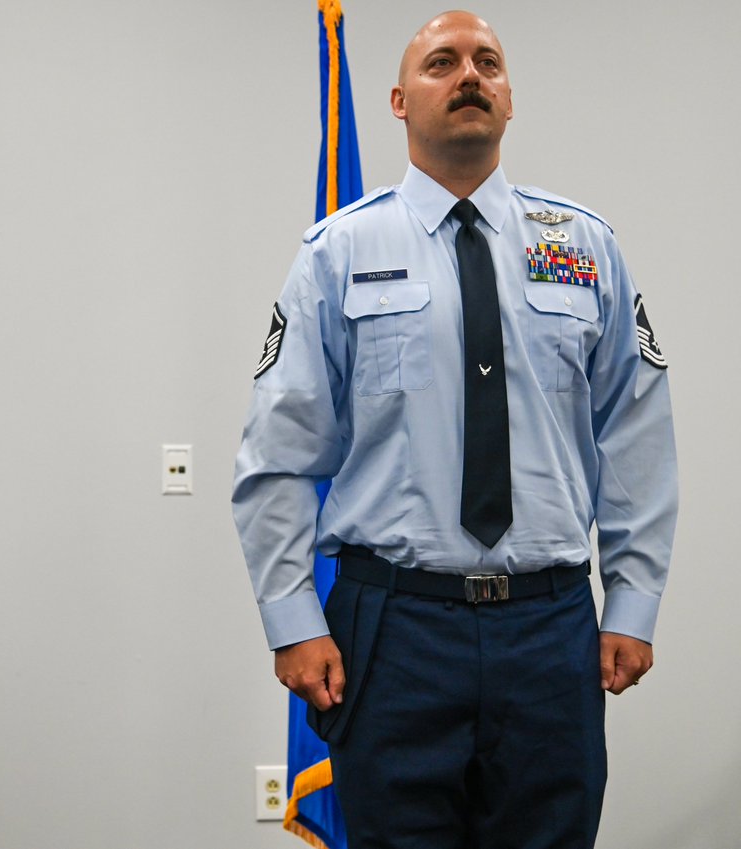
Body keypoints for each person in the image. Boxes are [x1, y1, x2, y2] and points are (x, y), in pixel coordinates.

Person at [233, 11, 676, 848]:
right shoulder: (337, 253)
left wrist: (634, 597)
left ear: (510, 99)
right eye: (442, 62)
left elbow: (637, 432)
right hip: (393, 628)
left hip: (549, 626)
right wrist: (293, 617)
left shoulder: (585, 248)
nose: (468, 74)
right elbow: (278, 455)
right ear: (400, 101)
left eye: (487, 62)